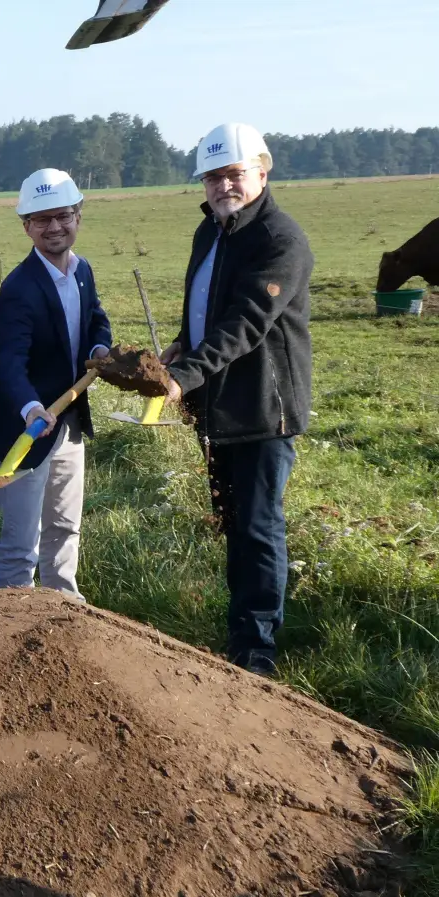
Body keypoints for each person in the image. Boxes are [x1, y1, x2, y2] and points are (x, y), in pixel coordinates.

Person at [162, 123, 314, 676]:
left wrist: (185, 376)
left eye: (234, 174)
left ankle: (256, 654)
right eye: (213, 176)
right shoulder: (212, 232)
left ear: (262, 172)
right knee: (234, 519)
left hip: (263, 409)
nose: (224, 184)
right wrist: (178, 346)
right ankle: (240, 632)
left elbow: (245, 324)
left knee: (257, 525)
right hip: (221, 406)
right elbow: (202, 309)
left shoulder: (279, 239)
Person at [0, 169, 112, 598]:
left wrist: (98, 348)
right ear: (27, 227)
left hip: (69, 424)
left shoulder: (82, 271)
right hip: (26, 428)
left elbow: (96, 320)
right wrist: (31, 408)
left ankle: (65, 615)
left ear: (78, 217)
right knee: (22, 545)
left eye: (63, 216)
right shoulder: (19, 288)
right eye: (42, 220)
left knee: (65, 528)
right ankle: (10, 627)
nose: (54, 227)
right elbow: (8, 362)